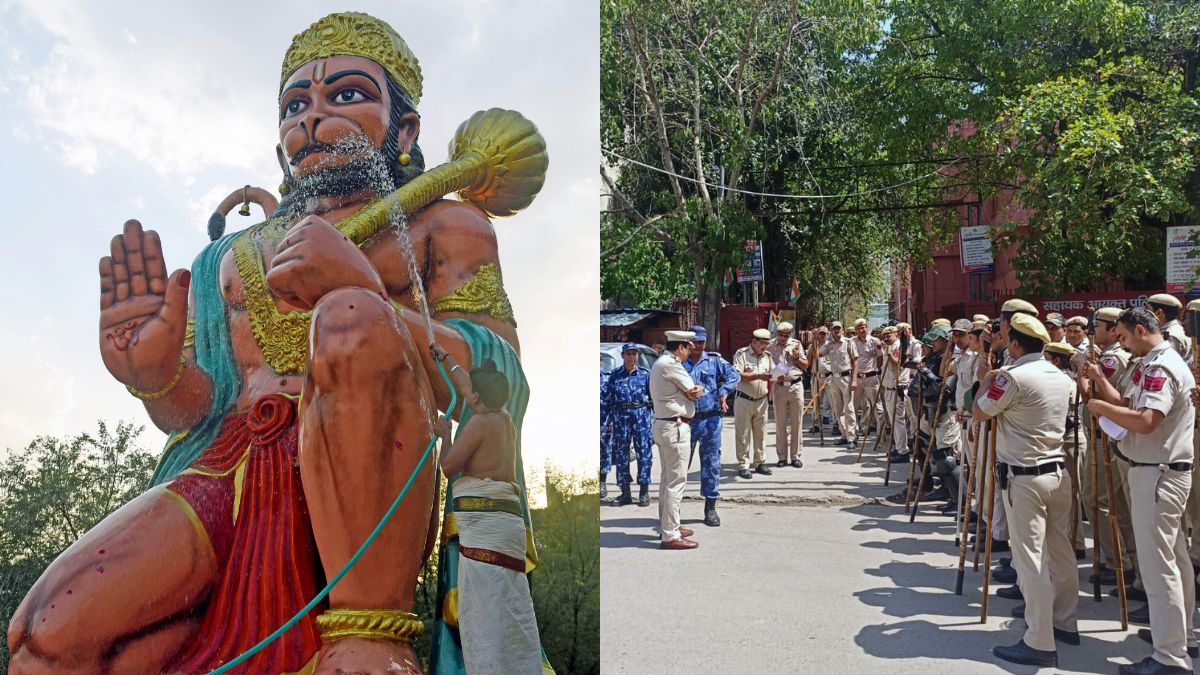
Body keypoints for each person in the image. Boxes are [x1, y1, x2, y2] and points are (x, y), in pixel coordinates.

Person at [9, 13, 547, 674]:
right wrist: (155, 377)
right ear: (279, 148)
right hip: (226, 469)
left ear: (405, 129)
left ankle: (369, 638)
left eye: (346, 94)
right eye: (295, 105)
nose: (313, 117)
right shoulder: (228, 259)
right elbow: (198, 409)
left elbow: (498, 378)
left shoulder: (443, 225)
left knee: (350, 317)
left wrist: (363, 291)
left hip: (367, 471)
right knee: (46, 636)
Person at [1085, 307, 1197, 674]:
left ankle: (1170, 656)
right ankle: (1180, 636)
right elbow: (1130, 405)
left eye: (1123, 337)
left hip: (1157, 473)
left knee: (1158, 567)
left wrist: (1100, 407)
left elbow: (1147, 421)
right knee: (1174, 560)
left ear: (1140, 329)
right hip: (1159, 471)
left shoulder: (1161, 366)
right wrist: (1102, 391)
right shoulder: (1153, 362)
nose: (1122, 344)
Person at [974, 313, 1078, 668]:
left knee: (1030, 560)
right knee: (1060, 552)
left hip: (1024, 478)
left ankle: (1039, 640)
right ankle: (1065, 622)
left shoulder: (1012, 377)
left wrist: (986, 380)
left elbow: (981, 412)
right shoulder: (1061, 376)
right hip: (1057, 472)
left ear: (1015, 344)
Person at [432, 352, 542, 675]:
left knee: (486, 613)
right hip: (507, 527)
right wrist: (445, 357)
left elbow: (449, 466)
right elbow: (468, 385)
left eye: (471, 392)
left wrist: (444, 434)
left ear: (476, 397)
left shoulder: (479, 423)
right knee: (509, 606)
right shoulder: (504, 418)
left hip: (487, 531)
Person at [650, 330, 704, 550]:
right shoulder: (671, 364)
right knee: (675, 483)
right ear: (680, 347)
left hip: (666, 424)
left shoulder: (661, 363)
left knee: (667, 480)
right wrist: (699, 389)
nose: (690, 352)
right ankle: (670, 534)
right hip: (675, 426)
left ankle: (668, 525)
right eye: (688, 348)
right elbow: (693, 390)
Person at [684, 325, 741, 527]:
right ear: (688, 342)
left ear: (705, 342)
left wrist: (723, 392)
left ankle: (710, 507)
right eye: (694, 342)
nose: (697, 345)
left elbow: (734, 376)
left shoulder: (714, 360)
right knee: (680, 464)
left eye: (701, 342)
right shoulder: (679, 362)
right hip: (688, 420)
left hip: (711, 419)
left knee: (711, 463)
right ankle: (674, 508)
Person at [602, 343, 654, 506]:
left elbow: (654, 398)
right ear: (623, 356)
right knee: (622, 455)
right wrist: (607, 420)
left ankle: (644, 492)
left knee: (644, 454)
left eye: (634, 354)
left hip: (641, 417)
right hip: (621, 417)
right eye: (628, 354)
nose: (632, 357)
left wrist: (655, 419)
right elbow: (608, 399)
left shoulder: (646, 374)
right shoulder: (615, 375)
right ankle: (625, 493)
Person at [733, 328, 776, 477]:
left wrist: (779, 375)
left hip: (761, 400)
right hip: (744, 399)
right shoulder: (742, 354)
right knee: (743, 434)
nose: (764, 346)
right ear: (754, 341)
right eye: (762, 343)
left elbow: (773, 372)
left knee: (761, 433)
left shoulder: (767, 356)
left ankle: (760, 462)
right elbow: (737, 375)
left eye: (766, 343)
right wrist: (757, 376)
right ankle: (743, 464)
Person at [767, 321, 808, 463]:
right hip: (779, 387)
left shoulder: (796, 344)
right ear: (776, 334)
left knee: (797, 422)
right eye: (781, 335)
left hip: (795, 386)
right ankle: (782, 457)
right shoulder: (770, 345)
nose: (783, 338)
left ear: (790, 334)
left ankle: (795, 456)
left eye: (786, 335)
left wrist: (796, 357)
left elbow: (805, 365)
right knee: (780, 423)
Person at [818, 321, 860, 445]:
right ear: (831, 331)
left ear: (842, 329)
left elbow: (855, 362)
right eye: (834, 329)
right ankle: (844, 434)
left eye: (838, 328)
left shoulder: (848, 343)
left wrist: (854, 380)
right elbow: (819, 353)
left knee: (849, 408)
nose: (836, 331)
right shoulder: (829, 344)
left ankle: (852, 437)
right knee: (838, 408)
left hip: (846, 377)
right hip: (834, 378)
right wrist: (815, 338)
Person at [851, 318, 884, 440]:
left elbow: (880, 357)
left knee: (877, 406)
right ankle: (854, 433)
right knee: (853, 406)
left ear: (867, 328)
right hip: (857, 378)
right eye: (859, 328)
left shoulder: (875, 341)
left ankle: (880, 434)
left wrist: (876, 370)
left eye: (863, 327)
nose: (861, 330)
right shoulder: (852, 342)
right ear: (856, 330)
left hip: (871, 377)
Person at [1147, 293, 1191, 365]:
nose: (1145, 315)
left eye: (1148, 311)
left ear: (1159, 313)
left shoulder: (1170, 335)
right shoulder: (1177, 328)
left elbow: (1169, 364)